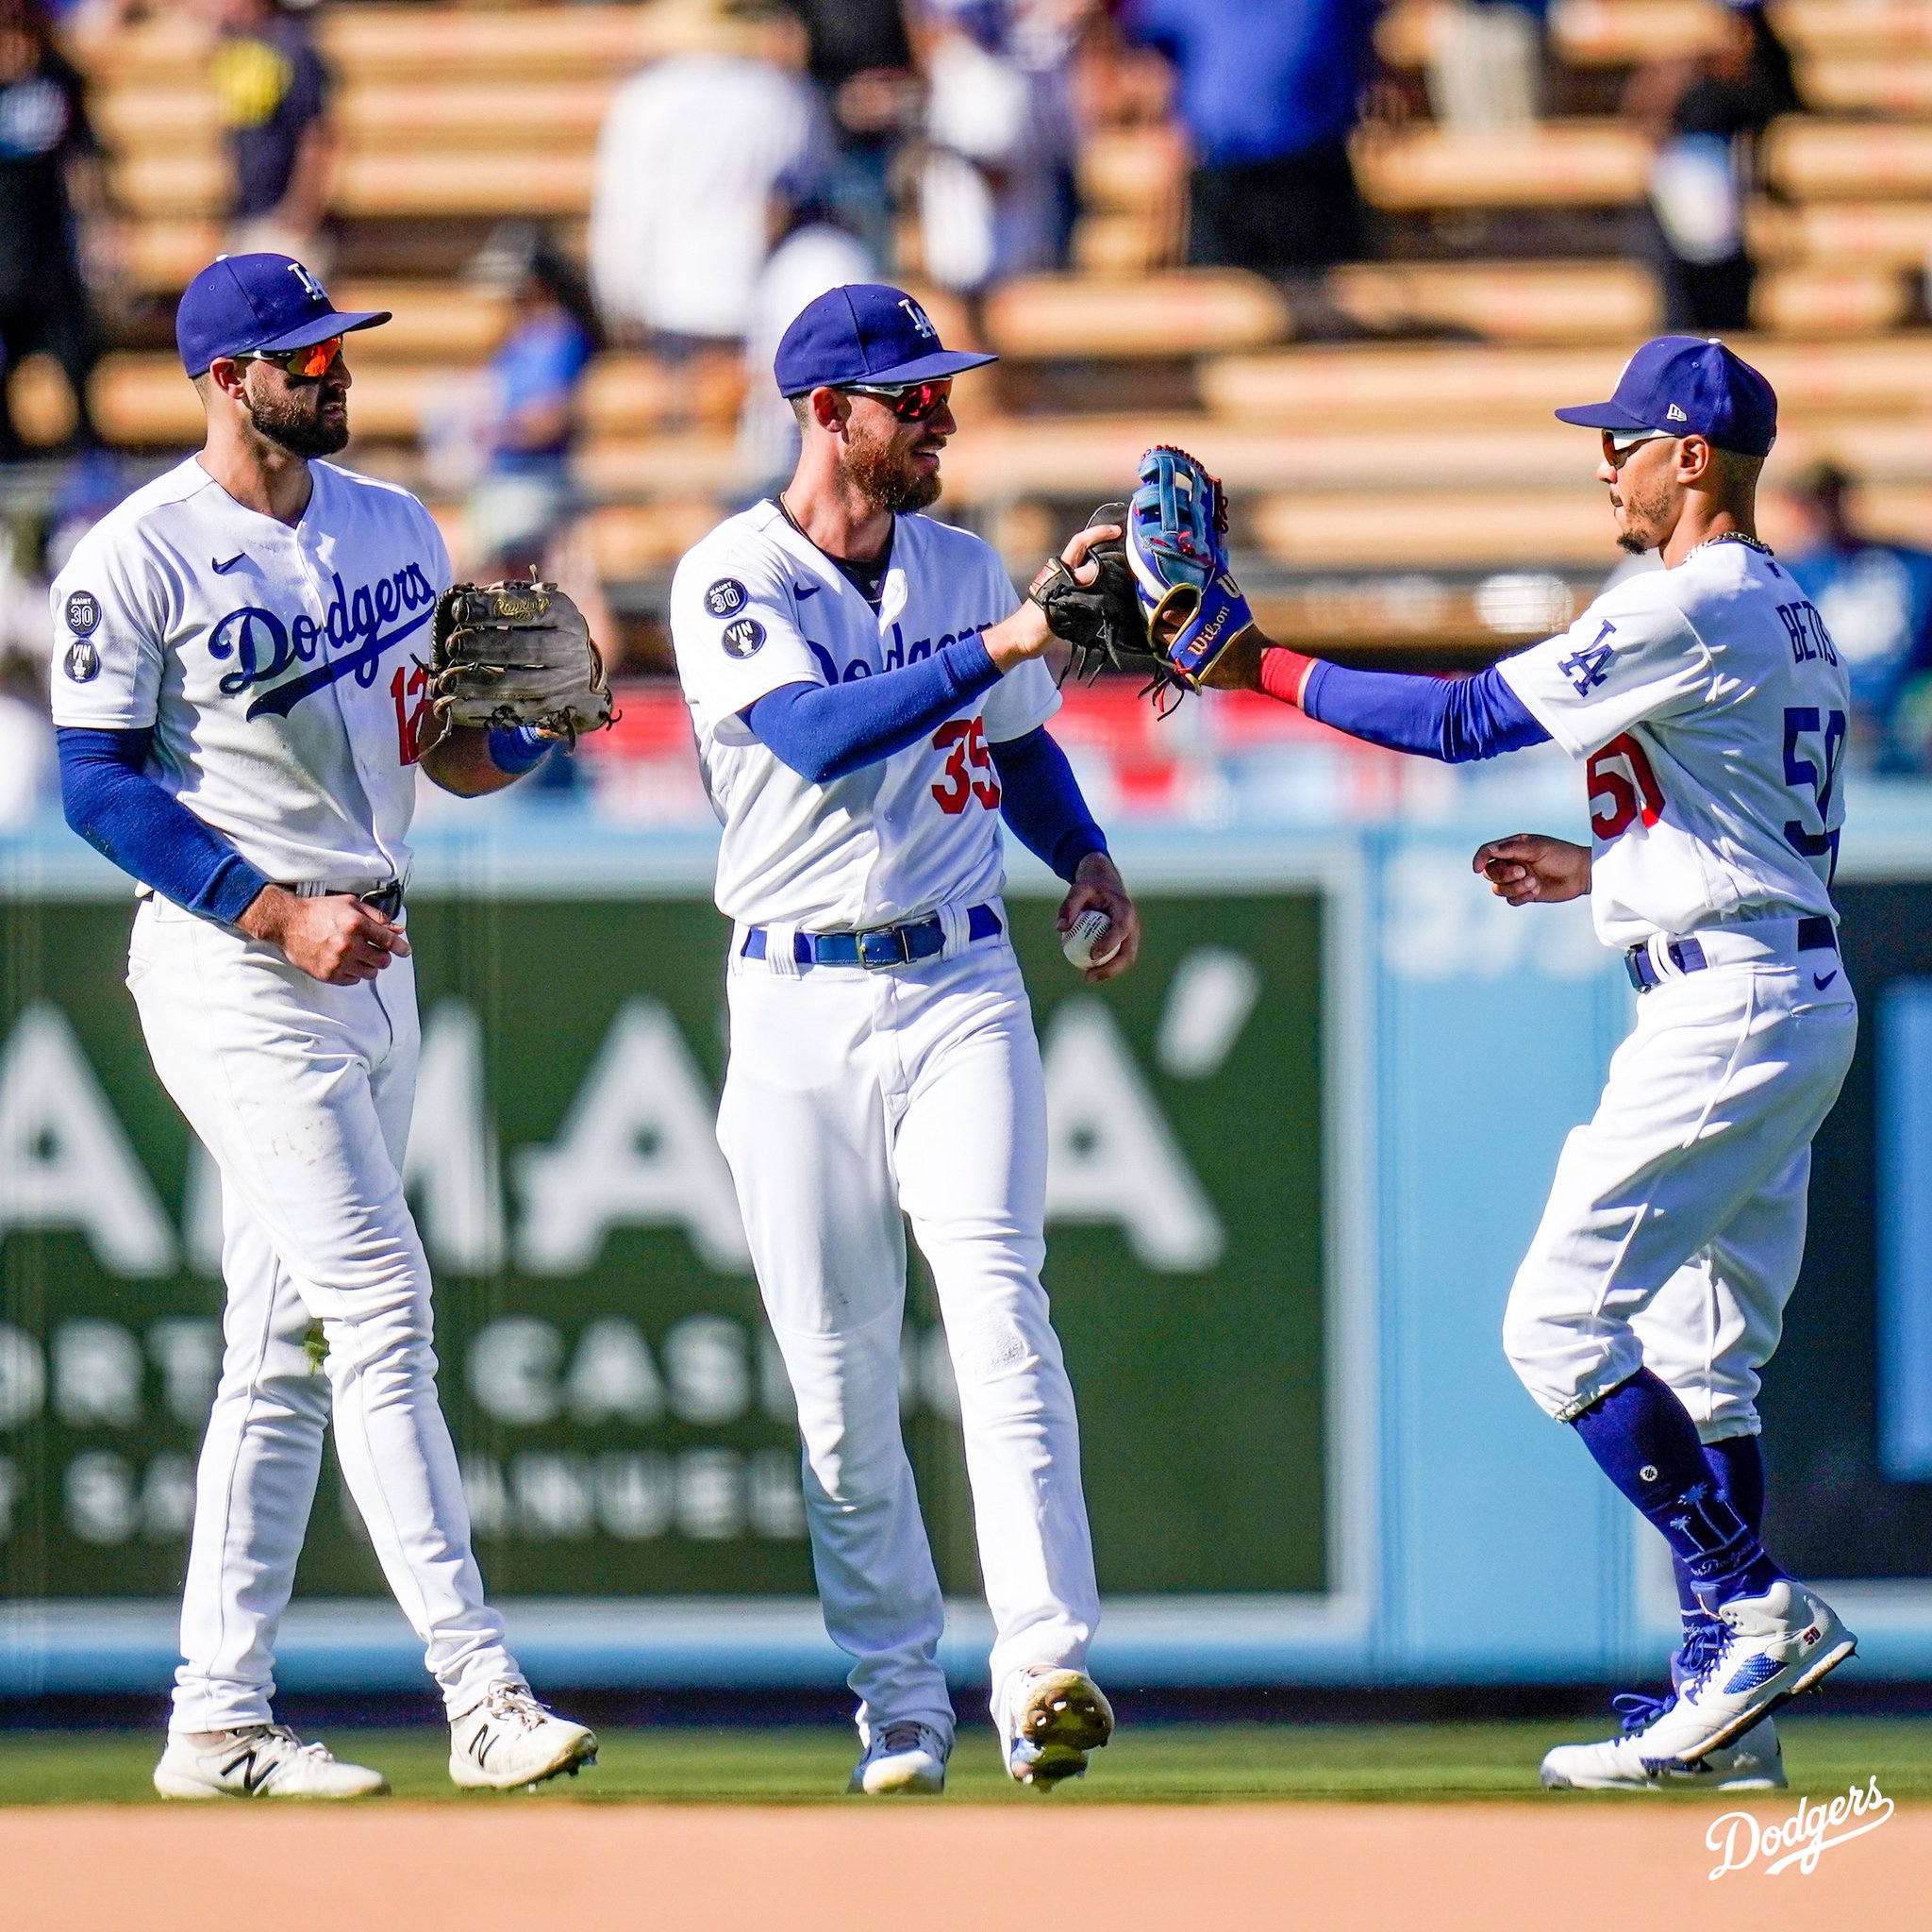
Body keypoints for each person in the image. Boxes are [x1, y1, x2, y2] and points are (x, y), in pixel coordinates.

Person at [1195, 336, 1857, 1789]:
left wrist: (1261, 666)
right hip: (1770, 974)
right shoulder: (1780, 611)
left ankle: (1747, 1609)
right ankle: (1725, 1718)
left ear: (1696, 458)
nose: (1602, 458)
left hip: (1727, 1005)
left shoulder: (1694, 598)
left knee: (1557, 1327)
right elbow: (1750, 832)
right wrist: (1600, 871)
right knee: (1706, 1361)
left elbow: (1460, 721)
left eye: (1626, 438)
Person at [48, 253, 597, 1800]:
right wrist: (272, 910)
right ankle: (476, 1687)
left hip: (373, 940)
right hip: (238, 959)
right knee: (379, 1298)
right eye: (303, 354)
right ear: (225, 380)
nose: (335, 368)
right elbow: (95, 785)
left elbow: (451, 755)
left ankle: (214, 1714)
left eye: (337, 345)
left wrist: (531, 721)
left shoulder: (395, 526)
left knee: (280, 1346)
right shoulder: (137, 552)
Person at [669, 282, 1138, 1795]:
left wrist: (1084, 856)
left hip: (957, 984)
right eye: (912, 396)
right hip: (793, 994)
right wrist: (1004, 640)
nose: (939, 412)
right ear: (827, 413)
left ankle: (1043, 1667)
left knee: (1001, 1310)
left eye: (941, 389)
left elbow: (1020, 752)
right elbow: (813, 736)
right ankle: (898, 1703)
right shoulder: (730, 574)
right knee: (840, 1371)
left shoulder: (956, 558)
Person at [589, 43, 829, 354]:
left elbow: (626, 210)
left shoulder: (645, 98)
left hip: (671, 294)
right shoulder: (780, 93)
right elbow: (803, 183)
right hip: (753, 288)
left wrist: (618, 297)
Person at [1122, 0, 1380, 275]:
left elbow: (1365, 42)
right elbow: (1151, 56)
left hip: (1314, 170)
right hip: (1221, 174)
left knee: (1331, 303)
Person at [0, 0, 110, 458]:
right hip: (3, 264)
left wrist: (102, 228)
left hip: (51, 266)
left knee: (79, 384)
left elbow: (83, 160)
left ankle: (85, 495)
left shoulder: (58, 74)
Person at [1781, 459, 1932, 775]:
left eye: (1828, 498)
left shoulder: (1910, 567)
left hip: (1904, 734)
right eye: (1811, 501)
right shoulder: (1785, 580)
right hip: (1824, 738)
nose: (1821, 511)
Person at [205, 0, 337, 271]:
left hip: (283, 222)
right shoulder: (237, 49)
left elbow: (317, 137)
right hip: (244, 217)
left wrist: (300, 213)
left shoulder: (293, 49)